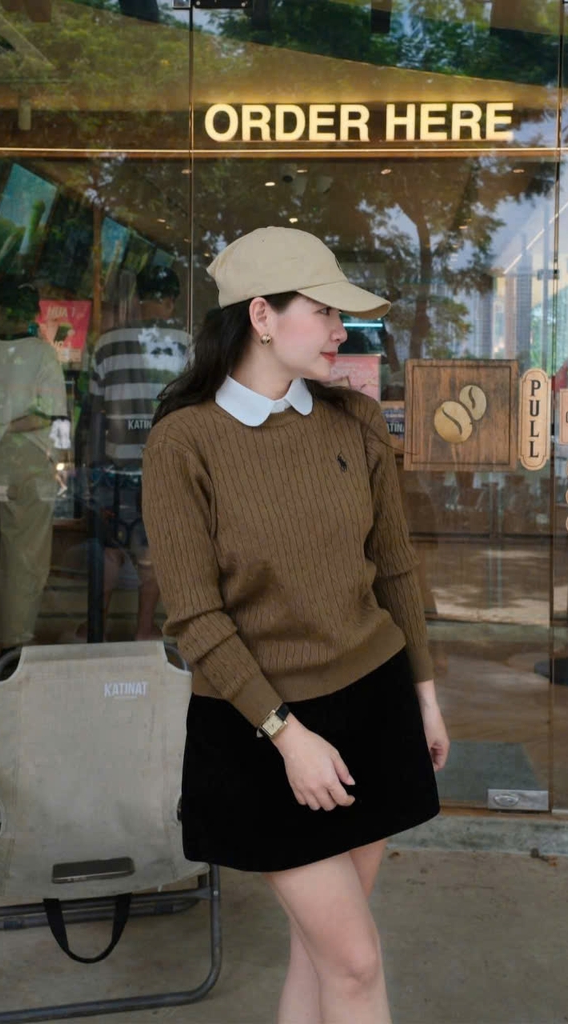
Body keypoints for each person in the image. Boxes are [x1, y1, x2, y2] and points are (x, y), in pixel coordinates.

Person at [142, 226, 450, 1024]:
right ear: (262, 316)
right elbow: (196, 617)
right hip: (260, 728)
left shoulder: (354, 421)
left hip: (374, 704)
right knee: (355, 961)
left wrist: (424, 697)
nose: (341, 330)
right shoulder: (184, 442)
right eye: (325, 311)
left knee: (324, 957)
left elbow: (394, 568)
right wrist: (286, 735)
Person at [85, 265, 188, 640]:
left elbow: (94, 412)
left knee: (110, 551)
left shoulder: (106, 343)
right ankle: (144, 629)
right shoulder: (185, 343)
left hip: (115, 468)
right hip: (162, 467)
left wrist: (90, 466)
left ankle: (95, 627)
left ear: (137, 298)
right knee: (152, 552)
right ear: (170, 300)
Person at [0, 275, 68, 661]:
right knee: (25, 556)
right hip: (27, 460)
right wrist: (63, 463)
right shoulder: (41, 354)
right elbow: (53, 415)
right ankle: (13, 646)